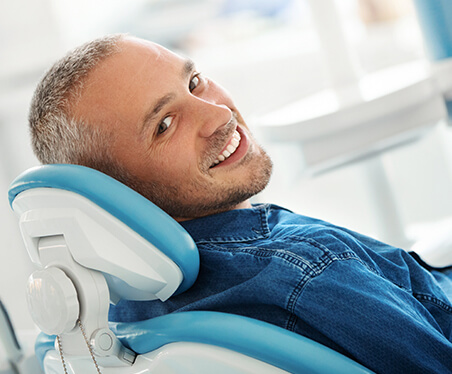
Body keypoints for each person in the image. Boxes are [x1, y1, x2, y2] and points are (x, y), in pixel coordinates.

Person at [29, 34, 452, 373]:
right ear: (117, 191)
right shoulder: (307, 270)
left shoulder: (113, 313)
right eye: (164, 125)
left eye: (193, 81)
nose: (217, 114)